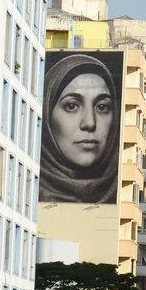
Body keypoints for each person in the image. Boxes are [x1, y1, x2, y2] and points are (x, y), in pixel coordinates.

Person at [40, 54, 120, 204]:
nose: (90, 123)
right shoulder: (27, 188)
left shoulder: (120, 191)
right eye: (71, 106)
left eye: (102, 107)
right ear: (47, 114)